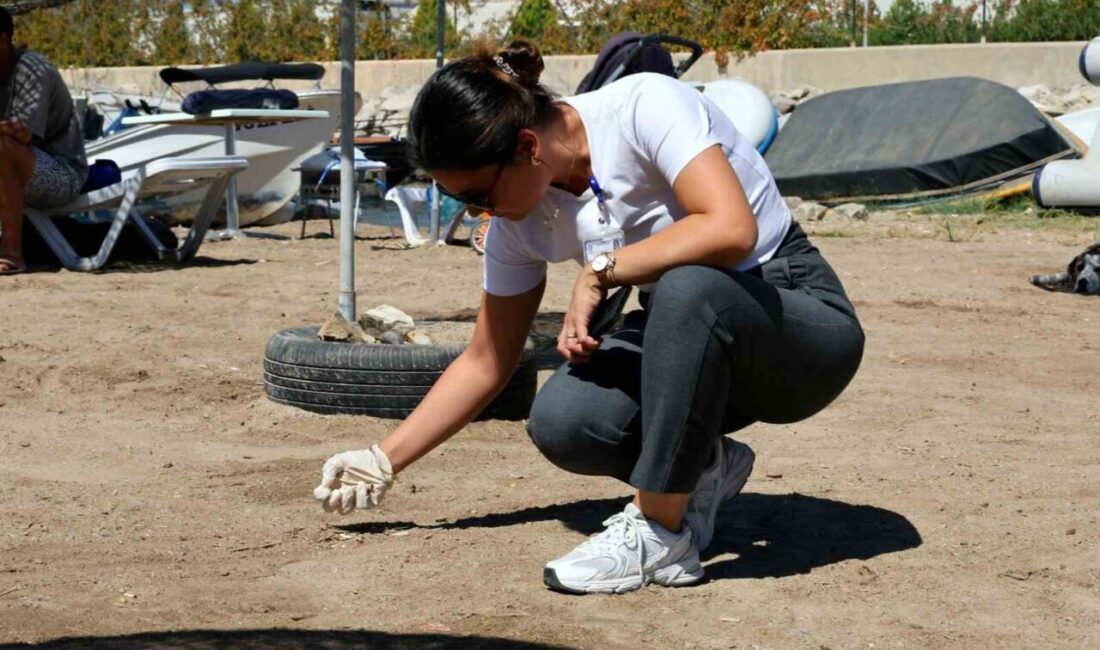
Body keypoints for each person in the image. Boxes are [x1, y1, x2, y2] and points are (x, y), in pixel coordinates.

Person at [313, 41, 865, 595]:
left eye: (479, 194)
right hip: (690, 340)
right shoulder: (519, 225)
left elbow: (728, 228)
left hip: (795, 324)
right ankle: (702, 469)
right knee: (568, 421)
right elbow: (487, 359)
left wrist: (601, 269)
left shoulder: (643, 108)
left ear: (527, 145)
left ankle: (659, 531)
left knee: (688, 287)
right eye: (461, 201)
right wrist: (383, 459)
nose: (479, 213)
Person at [0, 7, 88, 275]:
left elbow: (21, 135)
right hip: (15, 170)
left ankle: (11, 253)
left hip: (63, 173)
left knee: (2, 147)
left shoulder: (31, 69)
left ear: (2, 39)